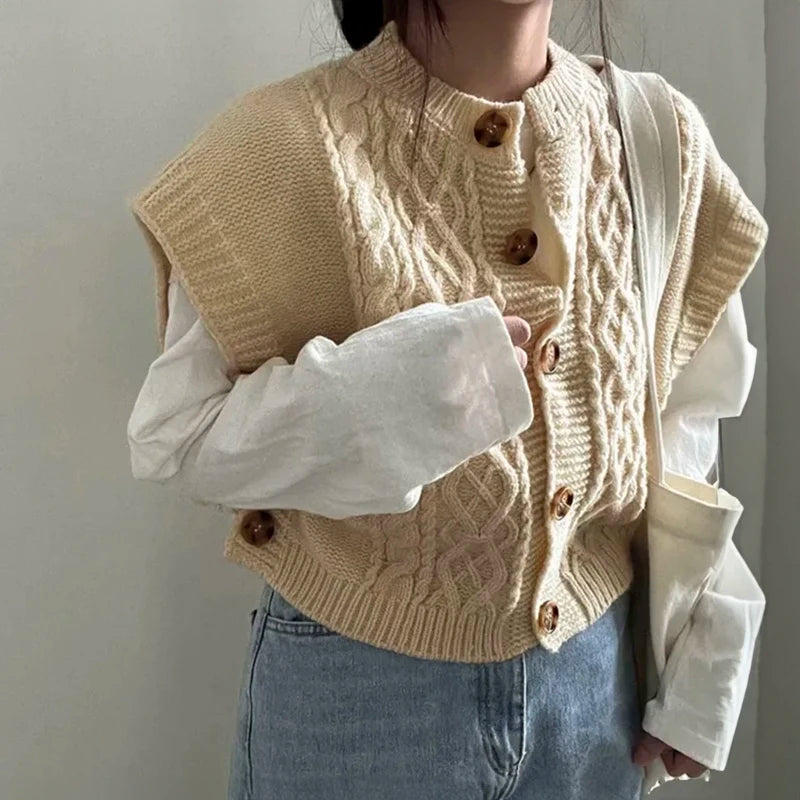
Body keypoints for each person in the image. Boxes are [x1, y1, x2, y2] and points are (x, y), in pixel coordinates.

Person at [125, 1, 768, 798]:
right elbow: (175, 437)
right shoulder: (280, 146)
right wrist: (393, 397)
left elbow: (686, 420)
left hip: (597, 702)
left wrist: (703, 657)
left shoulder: (657, 140)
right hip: (358, 696)